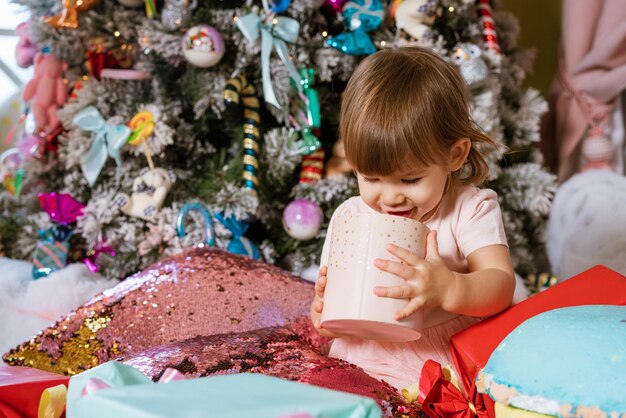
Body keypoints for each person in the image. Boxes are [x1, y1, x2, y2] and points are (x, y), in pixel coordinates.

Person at [310, 47, 516, 392]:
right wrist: (327, 315)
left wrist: (451, 288)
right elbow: (331, 291)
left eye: (410, 180)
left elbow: (500, 283)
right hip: (363, 350)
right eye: (371, 179)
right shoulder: (351, 215)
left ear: (454, 155)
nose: (389, 198)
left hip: (438, 356)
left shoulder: (469, 207)